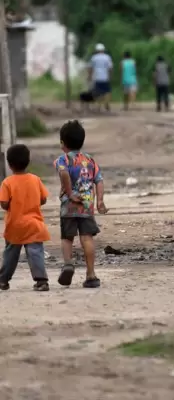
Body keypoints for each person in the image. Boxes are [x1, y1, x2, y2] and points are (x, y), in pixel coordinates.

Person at [54, 120, 108, 289]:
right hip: (86, 206)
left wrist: (69, 193)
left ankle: (68, 263)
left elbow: (63, 173)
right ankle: (91, 274)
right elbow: (99, 181)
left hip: (68, 206)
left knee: (67, 237)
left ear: (63, 143)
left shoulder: (62, 160)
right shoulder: (90, 160)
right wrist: (99, 201)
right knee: (87, 238)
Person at [0, 144, 50, 291]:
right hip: (34, 224)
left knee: (10, 254)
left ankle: (3, 280)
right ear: (28, 161)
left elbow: (4, 203)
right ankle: (41, 281)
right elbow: (43, 199)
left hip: (15, 225)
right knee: (36, 253)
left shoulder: (7, 182)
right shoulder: (35, 179)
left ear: (9, 164)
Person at [89, 43, 113, 112]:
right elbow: (110, 68)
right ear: (103, 50)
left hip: (97, 77)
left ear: (96, 50)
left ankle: (98, 106)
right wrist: (110, 76)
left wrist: (90, 76)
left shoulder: (94, 58)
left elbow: (90, 68)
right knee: (107, 91)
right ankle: (106, 103)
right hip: (105, 77)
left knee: (98, 92)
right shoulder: (107, 57)